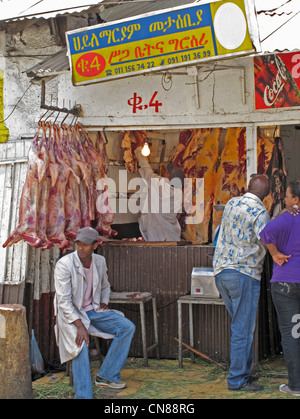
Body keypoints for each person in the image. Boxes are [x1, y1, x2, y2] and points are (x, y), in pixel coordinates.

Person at [54, 226, 135, 399]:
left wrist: (104, 301)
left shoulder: (99, 261)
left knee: (127, 327)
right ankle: (83, 396)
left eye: (85, 245)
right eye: (78, 244)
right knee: (80, 345)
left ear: (95, 245)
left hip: (94, 310)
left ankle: (107, 375)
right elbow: (64, 302)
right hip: (72, 315)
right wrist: (79, 325)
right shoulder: (65, 264)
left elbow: (105, 286)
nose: (81, 248)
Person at [213, 174, 271, 392]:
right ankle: (237, 380)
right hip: (244, 275)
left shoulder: (231, 203)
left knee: (240, 327)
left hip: (221, 274)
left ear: (247, 187)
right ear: (267, 196)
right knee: (242, 330)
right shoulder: (260, 213)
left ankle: (244, 373)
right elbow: (268, 240)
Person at [260, 180, 300, 396]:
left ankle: (296, 386)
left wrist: (274, 254)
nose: (284, 199)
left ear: (295, 200)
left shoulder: (286, 217)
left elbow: (265, 233)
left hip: (286, 284)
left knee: (293, 334)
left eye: (287, 196)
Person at [134, 146, 185, 241]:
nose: (164, 173)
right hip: (172, 236)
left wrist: (139, 153)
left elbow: (147, 172)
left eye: (166, 172)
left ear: (169, 177)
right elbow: (178, 215)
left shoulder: (160, 186)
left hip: (156, 237)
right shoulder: (178, 194)